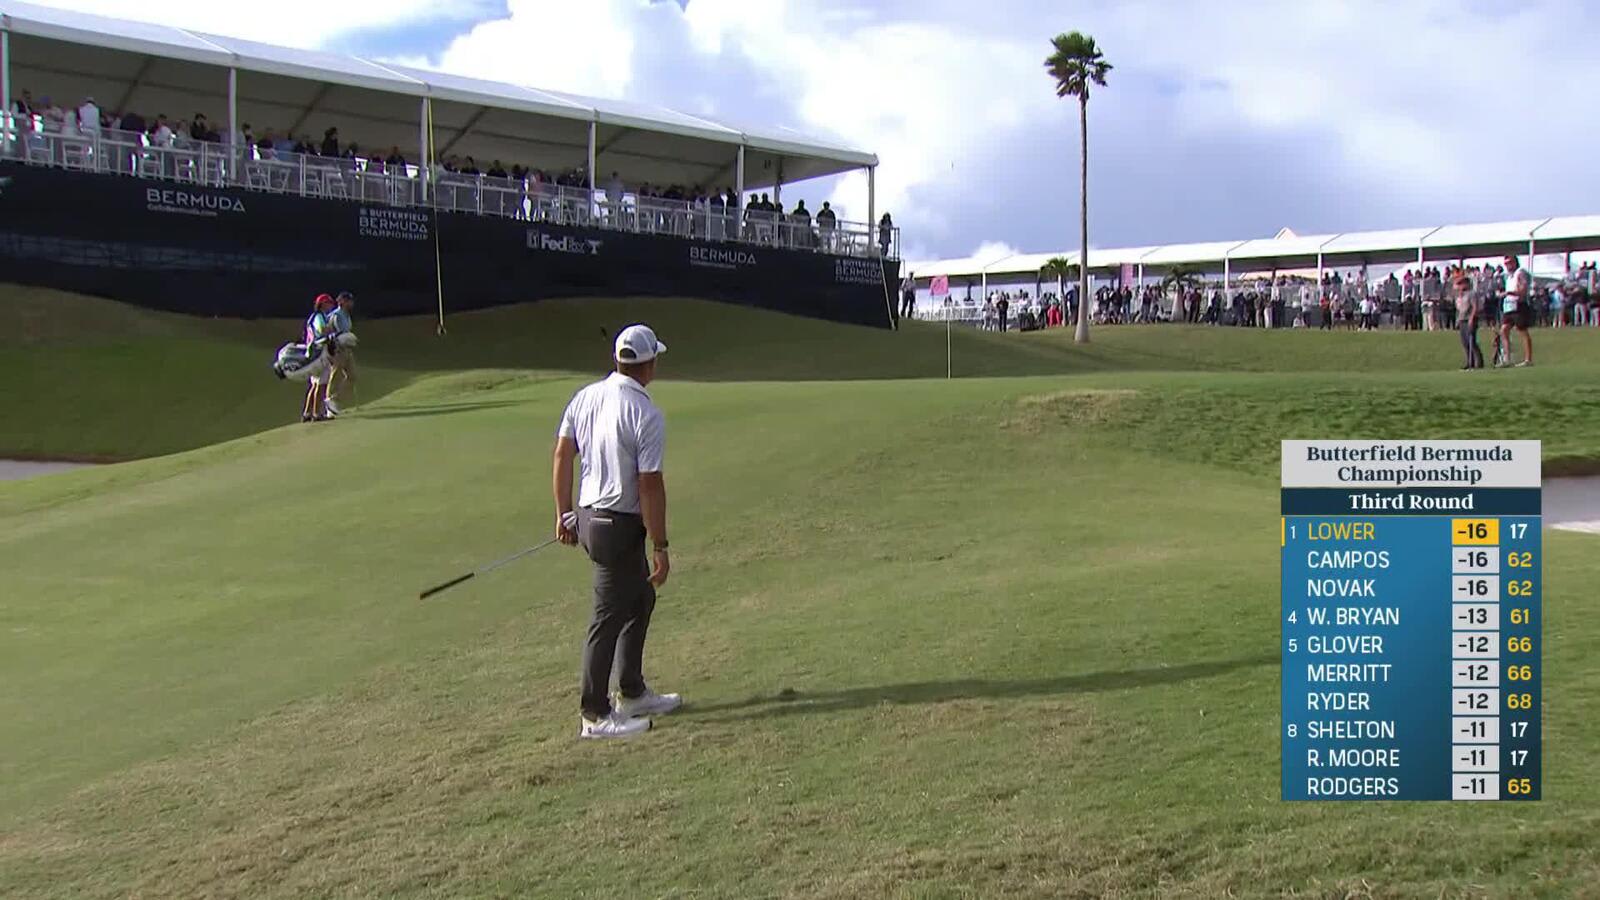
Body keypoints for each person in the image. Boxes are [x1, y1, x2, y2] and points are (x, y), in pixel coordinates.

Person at [552, 324, 680, 739]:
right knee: (607, 616)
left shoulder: (585, 397)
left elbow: (562, 454)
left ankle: (632, 689)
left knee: (639, 598)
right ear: (650, 364)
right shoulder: (646, 413)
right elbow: (649, 485)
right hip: (616, 525)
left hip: (590, 519)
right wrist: (660, 545)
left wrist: (563, 513)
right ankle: (593, 714)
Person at [302, 294, 336, 422]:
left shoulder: (315, 317)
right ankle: (316, 413)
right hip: (319, 353)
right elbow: (321, 330)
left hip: (314, 354)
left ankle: (307, 413)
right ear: (322, 304)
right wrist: (331, 329)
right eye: (329, 303)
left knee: (314, 384)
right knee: (321, 384)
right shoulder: (319, 317)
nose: (331, 306)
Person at [1497, 254, 1533, 367]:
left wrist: (1509, 293)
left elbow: (1523, 290)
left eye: (1510, 263)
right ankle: (1507, 358)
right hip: (1509, 306)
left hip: (1519, 304)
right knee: (1504, 330)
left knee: (1522, 331)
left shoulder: (1520, 273)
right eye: (1506, 263)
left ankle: (1528, 359)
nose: (1508, 266)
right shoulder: (1509, 277)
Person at [324, 291, 357, 415]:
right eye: (348, 301)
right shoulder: (337, 315)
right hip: (338, 349)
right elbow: (340, 332)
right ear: (342, 302)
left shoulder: (346, 315)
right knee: (336, 375)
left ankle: (334, 400)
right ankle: (330, 403)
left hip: (347, 349)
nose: (351, 303)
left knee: (352, 376)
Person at [1455, 272, 1483, 370]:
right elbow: (1459, 309)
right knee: (1465, 342)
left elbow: (1475, 307)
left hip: (1469, 319)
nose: (1459, 286)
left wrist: (1471, 318)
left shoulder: (1471, 294)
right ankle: (1469, 361)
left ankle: (1478, 362)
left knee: (1472, 341)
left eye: (1461, 283)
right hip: (1462, 320)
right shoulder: (1460, 296)